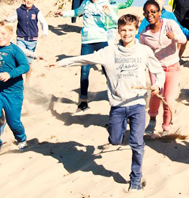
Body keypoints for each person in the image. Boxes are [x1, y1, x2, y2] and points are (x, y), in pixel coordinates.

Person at [49, 14, 164, 192]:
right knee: (115, 140)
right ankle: (113, 132)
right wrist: (61, 63)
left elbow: (158, 72)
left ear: (136, 30)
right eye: (123, 30)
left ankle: (136, 178)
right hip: (117, 105)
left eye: (131, 30)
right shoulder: (108, 52)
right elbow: (85, 59)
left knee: (137, 142)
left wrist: (157, 85)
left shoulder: (144, 51)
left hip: (137, 104)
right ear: (118, 31)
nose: (127, 33)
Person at [56, 0, 118, 114]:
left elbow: (116, 20)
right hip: (87, 42)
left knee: (108, 70)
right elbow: (76, 12)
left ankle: (115, 96)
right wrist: (63, 13)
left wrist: (108, 13)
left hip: (102, 40)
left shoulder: (105, 4)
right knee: (84, 71)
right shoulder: (85, 3)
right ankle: (83, 102)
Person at [0, 22, 30, 159]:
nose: (0, 36)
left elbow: (25, 66)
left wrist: (10, 74)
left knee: (13, 122)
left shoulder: (14, 50)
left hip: (12, 92)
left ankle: (21, 138)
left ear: (10, 34)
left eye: (3, 34)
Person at [140, 0, 187, 135]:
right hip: (156, 69)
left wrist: (175, 37)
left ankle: (166, 126)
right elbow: (144, 54)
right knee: (155, 94)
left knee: (168, 99)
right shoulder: (144, 35)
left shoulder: (169, 24)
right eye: (147, 13)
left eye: (153, 12)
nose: (150, 15)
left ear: (159, 13)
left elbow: (183, 39)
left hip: (173, 67)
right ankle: (152, 120)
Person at [5, 0, 48, 83]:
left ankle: (27, 82)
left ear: (34, 0)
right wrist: (4, 22)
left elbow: (43, 22)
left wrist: (45, 33)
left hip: (32, 40)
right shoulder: (19, 11)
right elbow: (11, 20)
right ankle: (17, 80)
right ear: (24, 0)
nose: (28, 1)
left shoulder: (36, 11)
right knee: (19, 59)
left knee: (28, 62)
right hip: (21, 38)